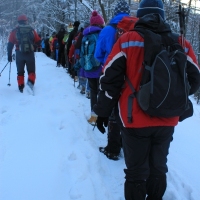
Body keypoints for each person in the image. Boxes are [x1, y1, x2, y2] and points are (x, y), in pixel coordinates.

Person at [93, 0, 200, 199]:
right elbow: (195, 78)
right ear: (162, 16)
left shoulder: (127, 40)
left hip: (134, 118)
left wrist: (102, 112)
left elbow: (110, 80)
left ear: (139, 16)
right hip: (167, 118)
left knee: (136, 172)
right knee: (158, 167)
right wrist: (175, 98)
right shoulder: (181, 42)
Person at [94, 0, 131, 160]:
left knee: (113, 112)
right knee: (128, 109)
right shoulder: (136, 29)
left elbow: (98, 54)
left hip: (111, 75)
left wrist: (106, 62)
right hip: (132, 78)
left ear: (115, 12)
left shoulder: (108, 30)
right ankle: (126, 144)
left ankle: (113, 149)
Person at [80, 11, 105, 125]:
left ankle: (94, 117)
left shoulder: (85, 35)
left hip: (88, 68)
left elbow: (81, 53)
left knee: (93, 93)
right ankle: (102, 117)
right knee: (102, 92)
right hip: (99, 68)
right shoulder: (101, 34)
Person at [7, 14, 41, 93]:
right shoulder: (31, 30)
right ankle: (30, 84)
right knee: (31, 70)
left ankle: (21, 87)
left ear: (18, 21)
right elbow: (38, 41)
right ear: (26, 21)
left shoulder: (15, 31)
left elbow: (10, 44)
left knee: (20, 71)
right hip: (30, 53)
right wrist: (34, 46)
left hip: (19, 53)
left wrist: (9, 55)